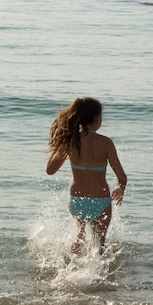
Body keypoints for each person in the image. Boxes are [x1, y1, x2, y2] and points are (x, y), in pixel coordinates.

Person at [46, 97, 127, 255]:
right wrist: (121, 188)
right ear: (97, 118)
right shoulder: (106, 143)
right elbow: (122, 176)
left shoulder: (71, 141)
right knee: (99, 245)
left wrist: (58, 145)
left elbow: (50, 170)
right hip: (101, 199)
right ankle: (98, 276)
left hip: (77, 199)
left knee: (80, 227)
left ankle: (78, 238)